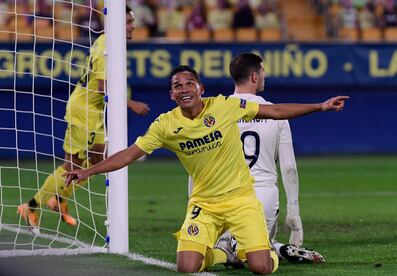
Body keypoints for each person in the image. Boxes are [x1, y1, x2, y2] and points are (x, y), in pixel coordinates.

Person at [64, 65, 348, 273]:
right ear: (171, 94)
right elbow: (130, 153)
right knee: (188, 266)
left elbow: (274, 112)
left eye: (190, 84)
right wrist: (89, 171)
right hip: (205, 204)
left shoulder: (224, 106)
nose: (184, 89)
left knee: (261, 267)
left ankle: (277, 251)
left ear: (201, 88)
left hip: (241, 199)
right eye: (178, 86)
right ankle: (228, 255)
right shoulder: (165, 125)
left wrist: (319, 106)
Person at [17, 5, 150, 233]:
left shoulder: (109, 44)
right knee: (88, 165)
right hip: (85, 112)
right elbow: (101, 86)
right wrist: (131, 104)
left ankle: (54, 199)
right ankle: (34, 205)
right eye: (127, 22)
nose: (132, 26)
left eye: (132, 21)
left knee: (86, 164)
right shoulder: (106, 46)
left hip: (88, 109)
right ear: (114, 24)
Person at [188, 53, 324, 265]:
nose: (265, 75)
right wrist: (294, 215)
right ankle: (272, 248)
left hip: (220, 198)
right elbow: (289, 169)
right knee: (256, 254)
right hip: (263, 199)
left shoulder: (214, 113)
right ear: (254, 77)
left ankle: (231, 248)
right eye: (263, 71)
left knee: (219, 249)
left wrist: (193, 206)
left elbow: (197, 167)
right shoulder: (278, 115)